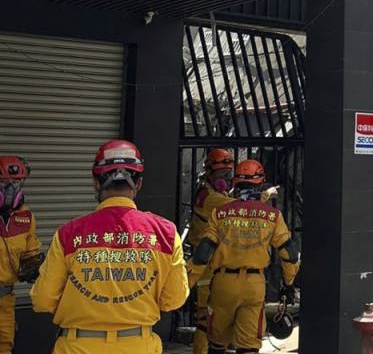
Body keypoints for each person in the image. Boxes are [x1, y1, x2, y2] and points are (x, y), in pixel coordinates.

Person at [31, 139, 189, 354]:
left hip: (78, 347)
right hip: (139, 345)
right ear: (139, 184)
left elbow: (42, 300)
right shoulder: (166, 234)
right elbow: (174, 300)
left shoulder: (69, 234)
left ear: (96, 183)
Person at [188, 160, 299, 354]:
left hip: (223, 285)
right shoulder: (272, 216)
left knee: (216, 343)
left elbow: (203, 252)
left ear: (236, 183)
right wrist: (288, 284)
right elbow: (289, 253)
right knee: (248, 346)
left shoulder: (220, 213)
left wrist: (185, 283)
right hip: (254, 286)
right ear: (260, 182)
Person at [186, 148, 236, 354]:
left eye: (228, 173)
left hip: (216, 261)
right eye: (222, 174)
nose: (225, 178)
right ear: (209, 172)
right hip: (204, 262)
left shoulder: (214, 193)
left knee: (220, 314)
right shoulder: (209, 197)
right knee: (204, 319)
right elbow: (237, 206)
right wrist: (262, 195)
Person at [0, 156, 41, 354]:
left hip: (5, 301)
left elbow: (29, 254)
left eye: (16, 182)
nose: (11, 187)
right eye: (4, 182)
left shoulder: (26, 218)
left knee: (5, 345)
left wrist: (36, 267)